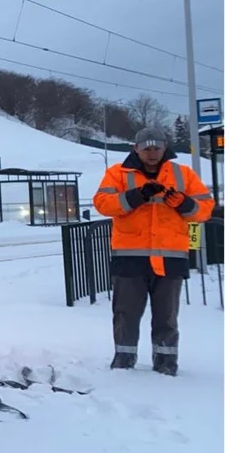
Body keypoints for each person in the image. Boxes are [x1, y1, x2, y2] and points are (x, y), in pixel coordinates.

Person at [92, 127, 215, 376]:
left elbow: (205, 209)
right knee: (126, 314)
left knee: (166, 317)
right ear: (135, 148)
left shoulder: (183, 174)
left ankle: (166, 364)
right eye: (146, 148)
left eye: (156, 148)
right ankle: (123, 364)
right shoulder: (117, 174)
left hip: (170, 258)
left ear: (165, 148)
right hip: (130, 258)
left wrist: (184, 203)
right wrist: (136, 196)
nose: (152, 153)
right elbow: (103, 204)